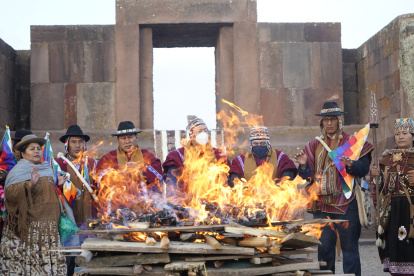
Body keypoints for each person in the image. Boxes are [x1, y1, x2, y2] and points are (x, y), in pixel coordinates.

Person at [294, 101, 373, 276]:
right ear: (321, 123)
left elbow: (364, 169)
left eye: (333, 119)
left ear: (339, 121)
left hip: (347, 204)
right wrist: (304, 166)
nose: (329, 123)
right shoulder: (313, 146)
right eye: (326, 120)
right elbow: (307, 177)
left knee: (350, 251)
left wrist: (350, 164)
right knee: (324, 252)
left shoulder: (351, 143)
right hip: (322, 207)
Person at [0, 134, 67, 275]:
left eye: (38, 148)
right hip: (30, 231)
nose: (37, 151)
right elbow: (10, 196)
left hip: (49, 230)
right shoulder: (17, 172)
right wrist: (29, 184)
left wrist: (58, 185)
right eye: (32, 149)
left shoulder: (46, 169)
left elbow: (47, 194)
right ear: (23, 153)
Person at [371, 118, 414, 275]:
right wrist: (375, 176)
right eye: (397, 134)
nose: (400, 137)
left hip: (411, 211)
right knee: (395, 247)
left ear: (413, 136)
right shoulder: (387, 159)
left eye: (405, 133)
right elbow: (379, 188)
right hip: (393, 212)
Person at [55, 125, 97, 276]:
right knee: (70, 259)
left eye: (80, 142)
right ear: (67, 144)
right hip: (69, 219)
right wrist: (57, 185)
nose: (77, 145)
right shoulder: (58, 164)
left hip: (89, 216)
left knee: (90, 256)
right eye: (74, 142)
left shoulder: (92, 164)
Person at [96, 121, 163, 209]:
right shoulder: (108, 158)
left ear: (136, 137)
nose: (127, 141)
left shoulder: (147, 155)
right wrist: (122, 173)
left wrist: (140, 172)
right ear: (118, 140)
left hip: (144, 206)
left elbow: (158, 173)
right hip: (117, 207)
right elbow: (100, 177)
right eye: (123, 138)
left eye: (130, 137)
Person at [162, 118, 230, 193]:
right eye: (199, 131)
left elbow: (226, 180)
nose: (203, 134)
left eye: (205, 131)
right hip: (187, 200)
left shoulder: (218, 154)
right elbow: (172, 182)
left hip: (214, 198)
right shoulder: (177, 155)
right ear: (191, 135)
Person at [229, 125, 297, 187]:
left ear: (268, 143)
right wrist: (244, 186)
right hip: (249, 197)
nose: (259, 146)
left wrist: (279, 185)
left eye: (262, 143)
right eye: (256, 143)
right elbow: (234, 178)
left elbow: (288, 175)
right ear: (251, 144)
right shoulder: (240, 160)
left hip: (274, 196)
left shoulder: (280, 157)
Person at [0, 129, 32, 240]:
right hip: (14, 215)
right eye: (20, 146)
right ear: (15, 149)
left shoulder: (41, 165)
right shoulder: (7, 166)